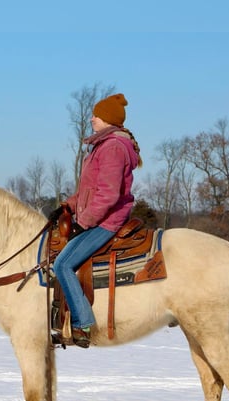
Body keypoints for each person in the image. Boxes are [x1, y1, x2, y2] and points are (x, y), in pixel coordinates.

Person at [50, 93, 142, 348]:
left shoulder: (112, 147)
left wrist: (85, 221)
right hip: (99, 216)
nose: (91, 118)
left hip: (107, 220)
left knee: (63, 265)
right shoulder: (104, 145)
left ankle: (83, 323)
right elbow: (90, 189)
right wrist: (67, 205)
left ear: (109, 120)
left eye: (97, 115)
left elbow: (108, 194)